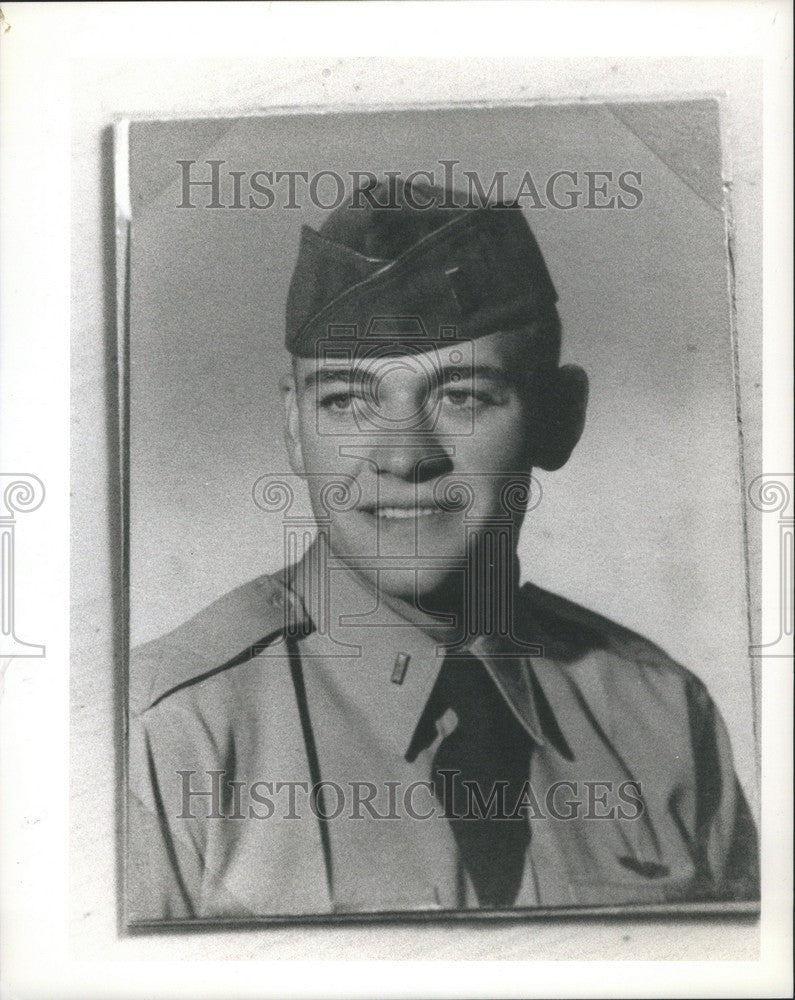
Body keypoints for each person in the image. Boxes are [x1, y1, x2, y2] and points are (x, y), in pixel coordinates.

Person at [127, 180, 758, 921]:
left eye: (463, 396)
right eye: (345, 400)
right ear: (294, 429)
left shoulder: (660, 718)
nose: (403, 457)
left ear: (559, 419)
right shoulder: (166, 734)